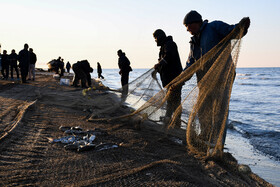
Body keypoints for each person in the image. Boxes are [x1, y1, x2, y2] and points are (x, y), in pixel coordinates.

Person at [183, 10, 250, 144]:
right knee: (203, 109)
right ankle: (206, 136)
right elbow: (190, 63)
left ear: (196, 23)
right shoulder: (193, 41)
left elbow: (233, 32)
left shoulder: (214, 27)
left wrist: (242, 27)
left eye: (189, 27)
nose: (188, 30)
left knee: (220, 110)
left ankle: (217, 143)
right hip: (204, 80)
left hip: (222, 76)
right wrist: (181, 78)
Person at [153, 29, 183, 128]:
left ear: (160, 37)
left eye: (156, 38)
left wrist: (159, 64)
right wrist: (157, 70)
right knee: (171, 100)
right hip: (168, 79)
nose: (155, 41)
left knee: (175, 100)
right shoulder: (164, 47)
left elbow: (169, 57)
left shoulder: (170, 44)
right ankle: (170, 118)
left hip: (174, 78)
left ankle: (175, 121)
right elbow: (164, 62)